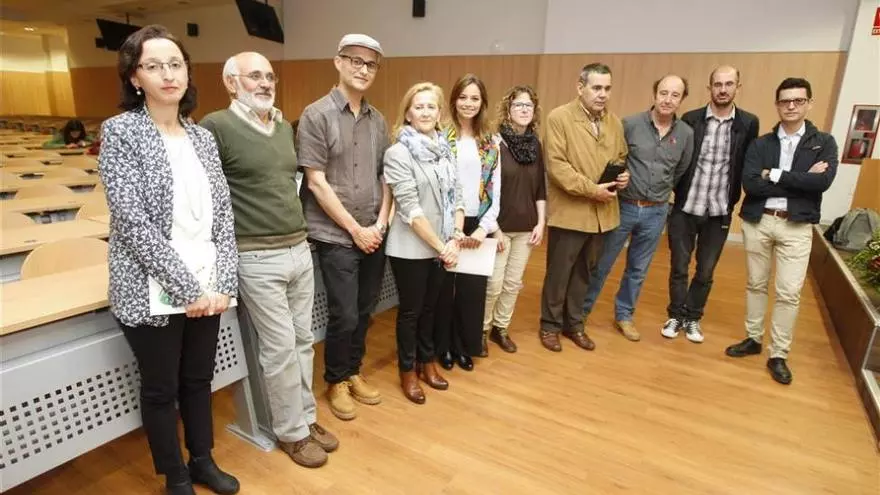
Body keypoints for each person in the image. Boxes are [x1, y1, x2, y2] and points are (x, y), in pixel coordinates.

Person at [98, 25, 239, 495]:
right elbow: (132, 223)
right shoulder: (120, 132)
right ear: (134, 77)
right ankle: (174, 475)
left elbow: (223, 216)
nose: (168, 74)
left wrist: (222, 283)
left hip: (207, 285)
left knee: (198, 379)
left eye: (175, 64)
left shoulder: (202, 137)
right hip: (149, 287)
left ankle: (202, 460)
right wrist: (188, 289)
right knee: (162, 388)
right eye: (154, 66)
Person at [200, 51, 337, 468]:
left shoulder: (280, 126)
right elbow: (207, 199)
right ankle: (291, 432)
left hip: (299, 248)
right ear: (231, 83)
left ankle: (306, 418)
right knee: (279, 349)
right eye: (254, 76)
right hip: (256, 255)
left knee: (303, 342)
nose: (264, 83)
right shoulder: (215, 127)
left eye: (270, 77)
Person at [298, 34, 391, 421]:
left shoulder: (378, 120)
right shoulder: (316, 115)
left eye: (371, 64)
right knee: (345, 314)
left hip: (374, 231)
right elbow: (316, 182)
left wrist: (381, 223)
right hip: (336, 235)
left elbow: (386, 176)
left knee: (366, 309)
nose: (363, 69)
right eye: (355, 60)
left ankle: (353, 371)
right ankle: (335, 379)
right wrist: (356, 230)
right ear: (338, 62)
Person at [726, 77, 838, 385]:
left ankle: (778, 354)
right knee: (756, 284)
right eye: (785, 101)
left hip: (796, 226)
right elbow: (751, 184)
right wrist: (801, 178)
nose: (791, 106)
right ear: (777, 105)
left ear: (809, 104)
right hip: (759, 222)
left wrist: (774, 174)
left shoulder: (823, 142)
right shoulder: (761, 144)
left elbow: (822, 182)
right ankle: (753, 338)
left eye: (798, 100)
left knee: (789, 292)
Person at [581, 75, 694, 341]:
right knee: (602, 264)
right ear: (655, 94)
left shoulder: (686, 134)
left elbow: (680, 171)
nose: (668, 99)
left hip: (656, 212)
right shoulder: (630, 124)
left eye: (675, 95)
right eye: (663, 93)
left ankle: (624, 315)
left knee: (638, 270)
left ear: (682, 99)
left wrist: (660, 194)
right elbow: (616, 159)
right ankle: (580, 314)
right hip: (624, 206)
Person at [664, 66, 760, 343]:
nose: (723, 89)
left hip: (719, 211)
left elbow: (746, 162)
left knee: (706, 270)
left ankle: (693, 317)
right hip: (686, 207)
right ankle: (676, 315)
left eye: (729, 84)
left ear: (737, 87)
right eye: (718, 84)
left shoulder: (748, 123)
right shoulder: (691, 119)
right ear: (710, 88)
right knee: (679, 266)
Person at [539, 63, 629, 352]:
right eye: (596, 87)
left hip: (602, 214)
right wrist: (593, 190)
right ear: (580, 87)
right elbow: (557, 167)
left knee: (584, 273)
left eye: (607, 88)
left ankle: (574, 325)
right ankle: (550, 326)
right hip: (570, 213)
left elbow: (621, 156)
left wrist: (623, 176)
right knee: (559, 273)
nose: (603, 94)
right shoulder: (559, 118)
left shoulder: (614, 122)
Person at [384, 82, 463, 403]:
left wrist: (456, 236)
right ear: (407, 113)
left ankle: (426, 361)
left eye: (431, 106)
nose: (426, 112)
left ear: (440, 113)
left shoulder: (445, 149)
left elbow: (457, 196)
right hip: (411, 249)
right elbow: (410, 210)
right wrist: (443, 248)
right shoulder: (398, 153)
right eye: (419, 107)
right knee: (412, 312)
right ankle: (407, 371)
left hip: (443, 246)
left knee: (431, 309)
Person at [435, 74, 500, 370]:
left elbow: (496, 190)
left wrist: (484, 229)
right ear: (453, 100)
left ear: (482, 103)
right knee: (444, 290)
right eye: (463, 97)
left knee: (471, 291)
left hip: (478, 223)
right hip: (446, 222)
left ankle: (463, 346)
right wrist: (454, 229)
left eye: (475, 98)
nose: (468, 103)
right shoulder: (440, 137)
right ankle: (443, 347)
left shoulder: (491, 141)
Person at [482, 85, 546, 354]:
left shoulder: (536, 145)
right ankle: (482, 330)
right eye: (518, 104)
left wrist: (541, 222)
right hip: (499, 228)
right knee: (493, 285)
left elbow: (540, 188)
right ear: (508, 110)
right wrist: (494, 229)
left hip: (527, 228)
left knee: (511, 285)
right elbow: (484, 189)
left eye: (528, 105)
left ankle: (501, 328)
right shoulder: (495, 143)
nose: (523, 109)